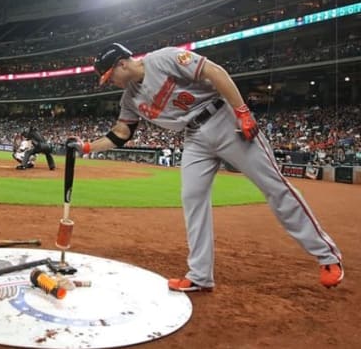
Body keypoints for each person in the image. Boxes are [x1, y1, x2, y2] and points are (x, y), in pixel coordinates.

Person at [68, 43, 343, 291]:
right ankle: (200, 275)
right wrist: (89, 147)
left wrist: (242, 111)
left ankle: (327, 256)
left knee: (274, 187)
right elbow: (121, 134)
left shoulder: (163, 58)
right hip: (194, 137)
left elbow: (214, 72)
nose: (110, 82)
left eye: (109, 76)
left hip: (224, 119)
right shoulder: (129, 99)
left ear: (122, 63)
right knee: (192, 197)